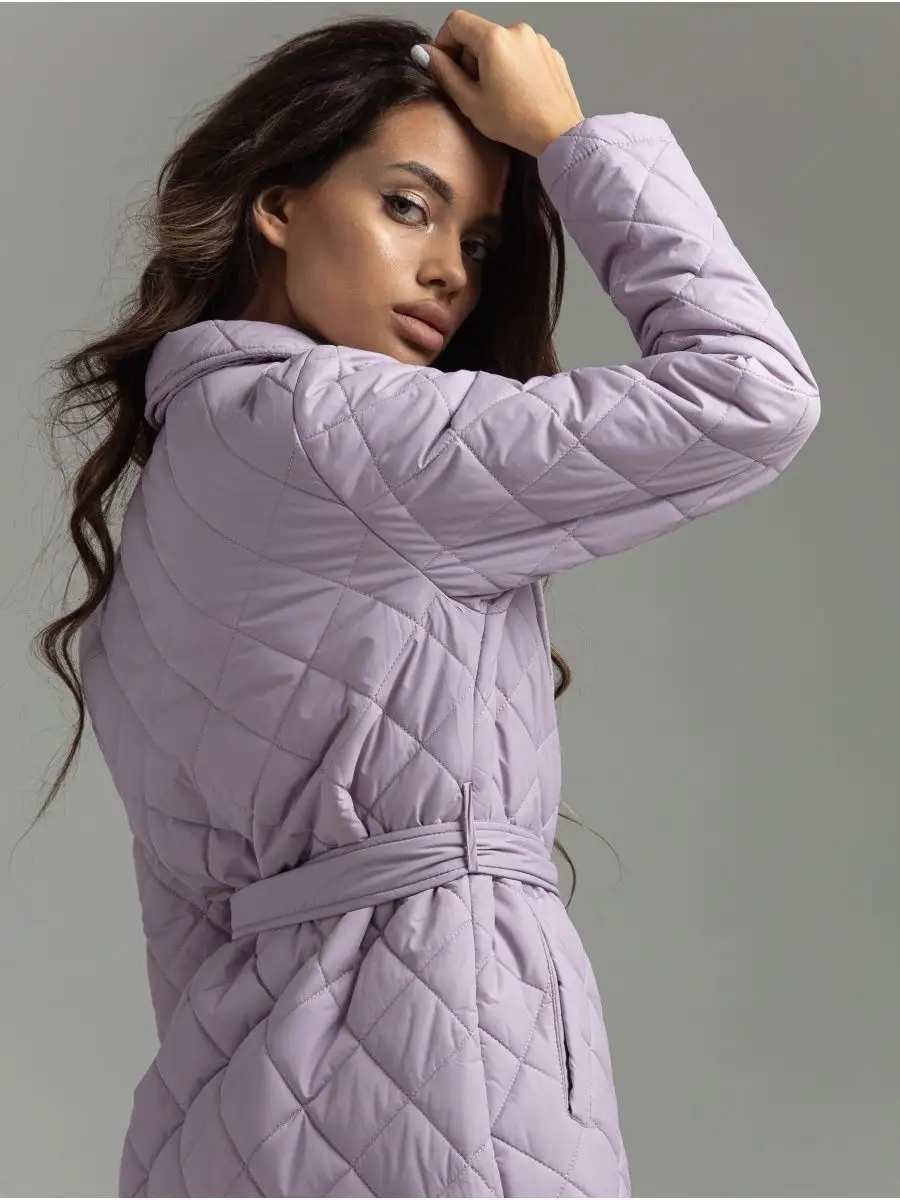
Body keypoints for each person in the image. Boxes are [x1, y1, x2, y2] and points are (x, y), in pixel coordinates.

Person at [32, 9, 820, 1197]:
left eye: (483, 241)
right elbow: (753, 393)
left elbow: (187, 930)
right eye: (408, 205)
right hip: (450, 1084)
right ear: (278, 205)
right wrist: (567, 140)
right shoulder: (331, 426)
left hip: (230, 1125)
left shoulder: (176, 507)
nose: (453, 269)